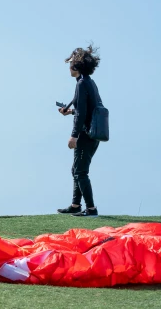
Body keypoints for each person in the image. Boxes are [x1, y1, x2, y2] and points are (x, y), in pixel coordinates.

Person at [57, 45, 101, 217]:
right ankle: (76, 205)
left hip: (85, 134)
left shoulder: (82, 84)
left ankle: (91, 209)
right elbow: (87, 109)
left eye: (70, 65)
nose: (69, 68)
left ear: (76, 66)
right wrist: (70, 112)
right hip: (93, 133)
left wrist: (73, 135)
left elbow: (83, 112)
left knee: (80, 171)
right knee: (77, 169)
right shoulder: (88, 82)